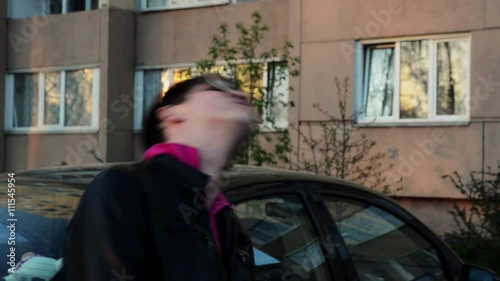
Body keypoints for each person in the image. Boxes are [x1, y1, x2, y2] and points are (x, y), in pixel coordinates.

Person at [56, 74, 257, 281]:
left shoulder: (230, 225)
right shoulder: (124, 188)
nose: (240, 94)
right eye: (217, 88)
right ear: (172, 115)